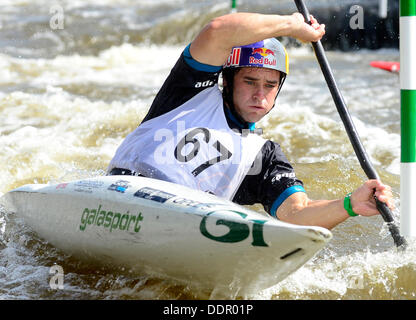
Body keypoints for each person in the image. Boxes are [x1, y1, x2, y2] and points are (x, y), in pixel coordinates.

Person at [107, 12, 394, 230]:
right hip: (120, 193)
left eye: (270, 85)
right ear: (228, 80)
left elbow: (297, 213)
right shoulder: (189, 91)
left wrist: (349, 204)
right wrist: (290, 26)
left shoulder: (264, 157)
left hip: (174, 221)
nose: (260, 94)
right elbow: (218, 31)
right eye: (249, 81)